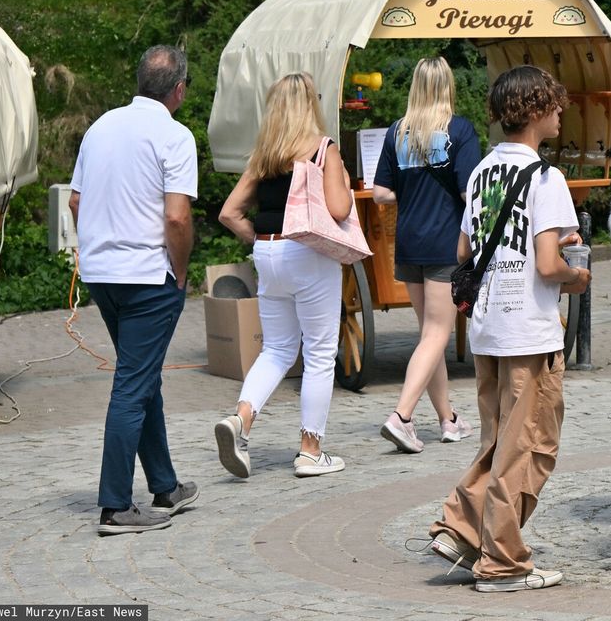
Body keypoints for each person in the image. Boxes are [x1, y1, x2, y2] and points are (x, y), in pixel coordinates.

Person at [426, 65, 591, 593]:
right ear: (538, 111)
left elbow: (463, 253)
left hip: (489, 327)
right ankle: (502, 563)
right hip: (529, 329)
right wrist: (577, 276)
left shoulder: (480, 174)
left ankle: (461, 527)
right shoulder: (546, 178)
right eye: (557, 105)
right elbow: (548, 265)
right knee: (531, 448)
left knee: (501, 441)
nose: (562, 113)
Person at [69, 45, 200, 535]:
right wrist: (181, 273)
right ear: (179, 89)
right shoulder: (174, 135)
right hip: (148, 274)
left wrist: (97, 249)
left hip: (103, 273)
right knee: (133, 384)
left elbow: (77, 202)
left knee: (141, 377)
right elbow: (176, 216)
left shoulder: (100, 127)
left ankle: (165, 486)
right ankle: (116, 505)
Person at [215, 72, 352, 479]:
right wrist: (341, 178)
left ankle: (241, 420)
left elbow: (228, 212)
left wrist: (259, 240)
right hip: (307, 253)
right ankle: (310, 451)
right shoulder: (322, 149)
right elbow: (341, 210)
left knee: (275, 349)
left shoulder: (265, 154)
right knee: (320, 352)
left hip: (268, 250)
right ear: (311, 105)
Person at [373, 56, 481, 454]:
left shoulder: (396, 133)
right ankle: (401, 417)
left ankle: (448, 420)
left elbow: (381, 192)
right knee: (437, 333)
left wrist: (412, 190)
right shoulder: (459, 130)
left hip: (408, 242)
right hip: (443, 242)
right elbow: (471, 191)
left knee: (429, 336)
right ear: (448, 86)